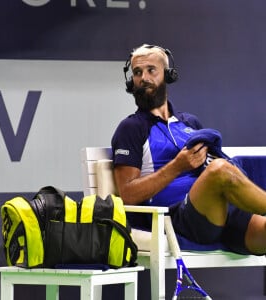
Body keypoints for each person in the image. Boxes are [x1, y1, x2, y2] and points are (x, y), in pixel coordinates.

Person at [111, 44, 266, 255]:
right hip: (181, 219)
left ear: (167, 75)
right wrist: (177, 166)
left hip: (222, 211)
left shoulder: (189, 122)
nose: (143, 77)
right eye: (137, 72)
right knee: (220, 170)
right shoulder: (131, 128)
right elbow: (127, 195)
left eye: (151, 70)